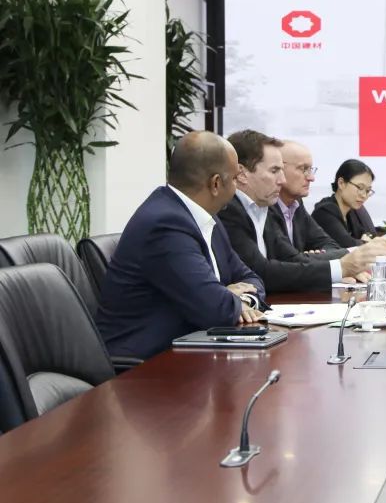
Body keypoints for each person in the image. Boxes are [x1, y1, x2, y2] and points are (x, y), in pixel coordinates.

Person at [95, 131, 265, 360]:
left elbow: (251, 278)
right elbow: (215, 310)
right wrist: (225, 296)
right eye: (235, 179)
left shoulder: (206, 218)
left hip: (194, 349)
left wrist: (241, 300)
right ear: (216, 183)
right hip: (149, 364)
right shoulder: (165, 225)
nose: (237, 187)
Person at [218, 130, 385, 293]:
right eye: (274, 171)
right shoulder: (229, 209)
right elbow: (263, 272)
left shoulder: (263, 207)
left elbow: (291, 258)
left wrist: (341, 266)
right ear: (241, 174)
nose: (282, 180)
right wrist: (342, 267)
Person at [270, 140, 352, 257]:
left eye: (310, 169)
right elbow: (287, 259)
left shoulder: (296, 204)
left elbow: (330, 245)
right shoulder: (265, 207)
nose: (311, 178)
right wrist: (313, 258)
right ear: (279, 168)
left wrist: (314, 257)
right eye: (303, 169)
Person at [312, 159, 382, 248]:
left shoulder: (354, 210)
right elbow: (348, 245)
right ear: (341, 183)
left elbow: (371, 235)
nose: (364, 195)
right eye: (360, 187)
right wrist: (364, 242)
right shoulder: (324, 212)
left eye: (368, 190)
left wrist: (365, 241)